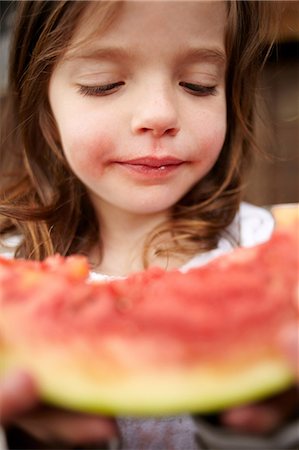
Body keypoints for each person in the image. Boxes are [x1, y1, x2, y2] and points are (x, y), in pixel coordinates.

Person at [0, 1, 297, 449]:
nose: (159, 115)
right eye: (104, 85)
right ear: (43, 100)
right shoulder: (8, 269)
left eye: (199, 85)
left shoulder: (269, 249)